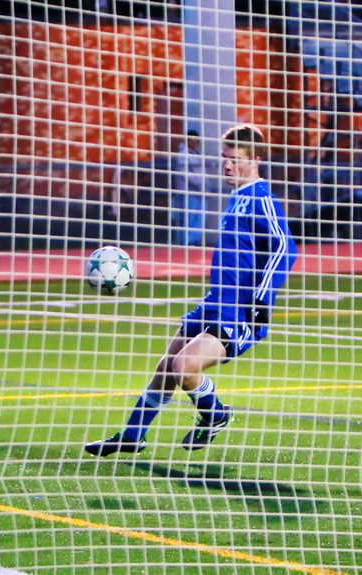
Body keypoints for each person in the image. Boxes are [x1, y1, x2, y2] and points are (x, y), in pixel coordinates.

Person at [85, 124, 298, 457]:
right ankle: (132, 435)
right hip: (214, 303)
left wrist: (260, 298)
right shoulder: (237, 197)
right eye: (225, 158)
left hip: (239, 312)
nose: (227, 165)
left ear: (255, 159)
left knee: (184, 368)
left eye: (235, 159)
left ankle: (216, 413)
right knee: (165, 367)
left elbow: (285, 248)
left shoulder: (260, 198)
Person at [171, 130, 208, 246]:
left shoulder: (197, 153)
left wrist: (205, 186)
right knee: (190, 218)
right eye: (193, 140)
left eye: (197, 140)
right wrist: (199, 183)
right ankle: (187, 242)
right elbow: (185, 174)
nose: (195, 142)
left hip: (201, 191)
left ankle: (194, 241)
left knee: (199, 218)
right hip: (189, 192)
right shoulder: (183, 155)